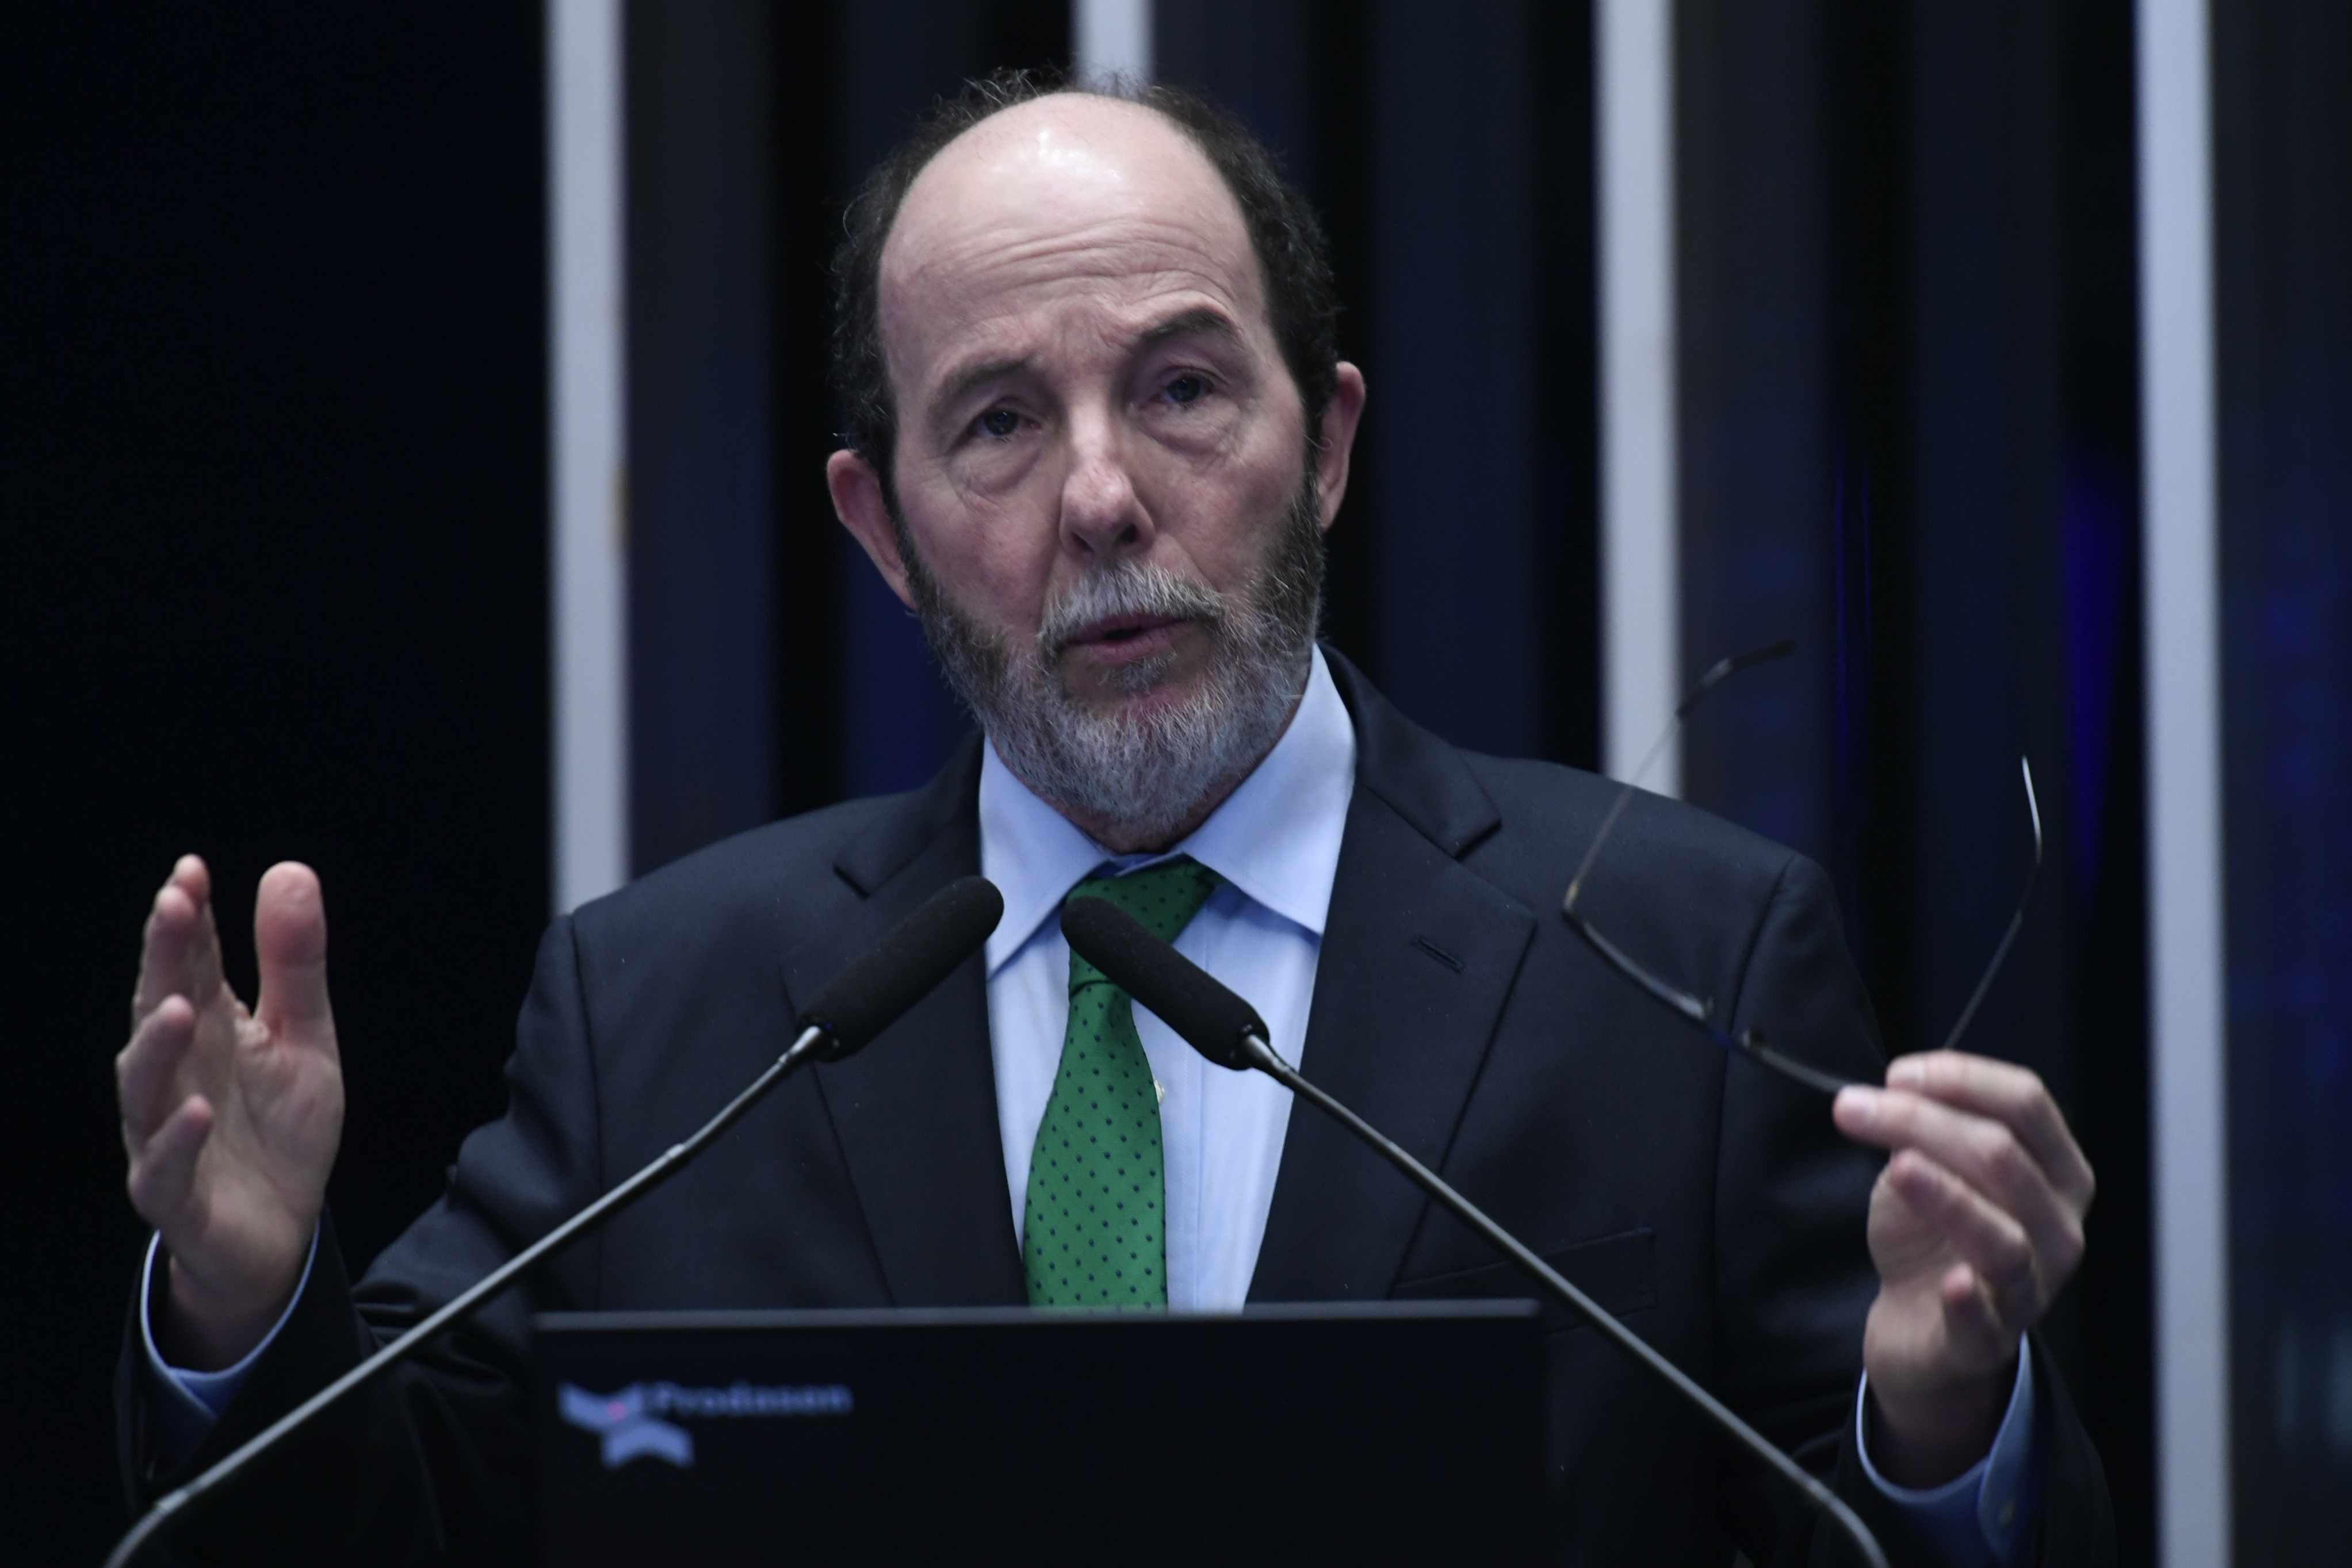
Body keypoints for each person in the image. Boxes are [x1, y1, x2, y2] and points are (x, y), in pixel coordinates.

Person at [114, 74, 2110, 1565]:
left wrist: (1943, 1429)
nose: (1097, 499)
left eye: (1178, 390)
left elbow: (1860, 1518)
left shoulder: (1687, 955)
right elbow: (386, 1527)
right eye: (996, 422)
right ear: (882, 529)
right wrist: (242, 1303)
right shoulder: (671, 1018)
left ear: (1324, 445)